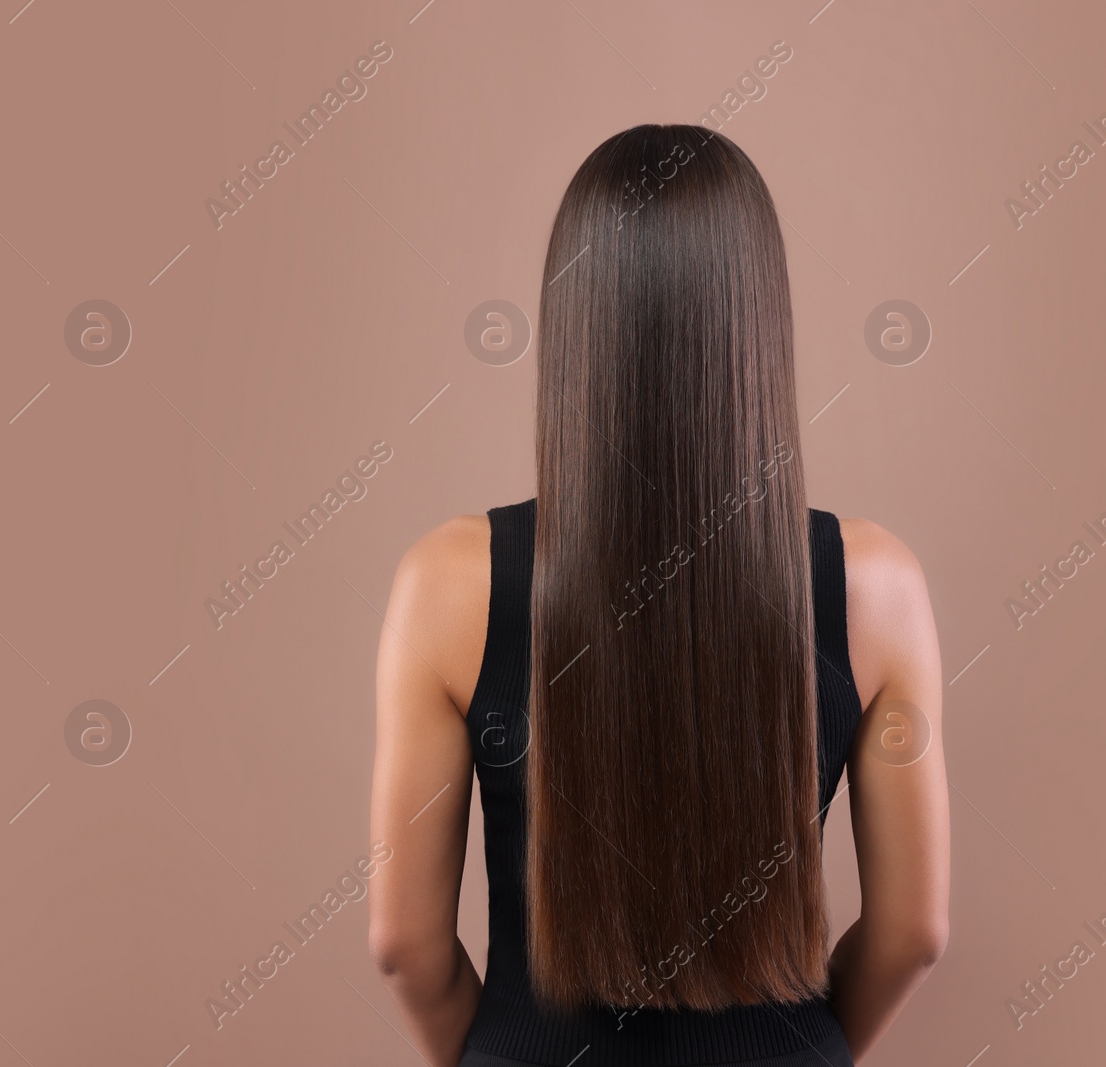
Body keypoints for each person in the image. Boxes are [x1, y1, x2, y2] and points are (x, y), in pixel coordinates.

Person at [367, 124, 949, 1066]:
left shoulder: (448, 580)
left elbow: (404, 948)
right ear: (760, 321)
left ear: (573, 323)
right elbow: (914, 932)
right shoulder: (875, 582)